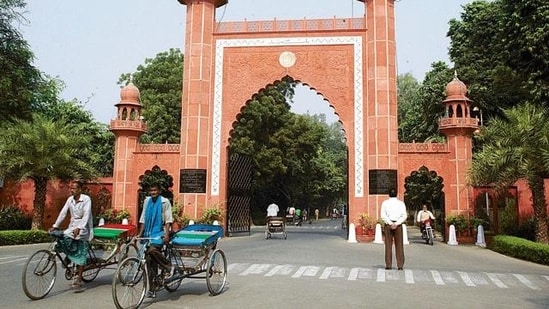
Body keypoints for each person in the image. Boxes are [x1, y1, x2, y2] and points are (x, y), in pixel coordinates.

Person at [50, 180, 94, 291]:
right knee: (63, 236)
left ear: (80, 189)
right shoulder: (70, 200)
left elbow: (87, 215)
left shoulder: (86, 199)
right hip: (73, 226)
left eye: (74, 188)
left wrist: (80, 228)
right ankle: (69, 257)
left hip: (84, 228)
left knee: (81, 252)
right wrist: (55, 225)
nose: (71, 190)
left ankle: (79, 278)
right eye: (71, 188)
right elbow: (63, 213)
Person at [138, 183, 174, 298]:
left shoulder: (165, 202)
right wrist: (140, 233)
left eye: (155, 190)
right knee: (149, 260)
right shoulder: (147, 201)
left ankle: (168, 266)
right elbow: (143, 218)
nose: (153, 192)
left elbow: (168, 219)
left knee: (152, 250)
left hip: (160, 232)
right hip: (148, 233)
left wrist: (167, 235)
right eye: (151, 190)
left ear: (159, 191)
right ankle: (152, 289)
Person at [380, 188, 407, 270]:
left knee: (388, 245)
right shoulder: (401, 203)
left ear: (388, 194)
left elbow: (383, 215)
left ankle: (388, 265)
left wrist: (391, 223)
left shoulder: (385, 203)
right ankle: (400, 265)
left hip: (388, 225)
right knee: (399, 245)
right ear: (396, 193)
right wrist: (397, 223)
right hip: (398, 225)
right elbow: (404, 215)